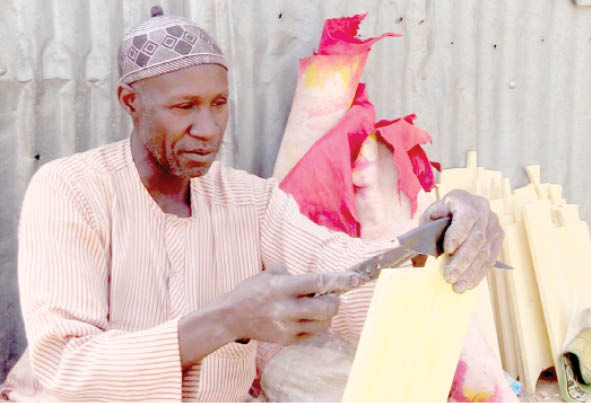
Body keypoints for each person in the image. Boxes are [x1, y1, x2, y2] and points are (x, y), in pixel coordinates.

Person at [2, 8, 504, 402]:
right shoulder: (69, 189)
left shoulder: (252, 200)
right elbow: (66, 367)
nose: (208, 128)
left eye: (219, 104)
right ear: (129, 101)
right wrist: (229, 320)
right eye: (184, 107)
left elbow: (343, 272)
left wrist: (432, 242)